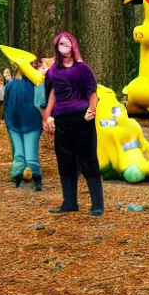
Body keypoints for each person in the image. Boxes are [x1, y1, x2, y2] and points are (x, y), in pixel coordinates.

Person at [42, 32, 104, 216]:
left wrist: (91, 111)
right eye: (62, 44)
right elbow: (52, 93)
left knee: (88, 160)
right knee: (65, 162)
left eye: (68, 44)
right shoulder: (53, 71)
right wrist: (48, 116)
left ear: (73, 46)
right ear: (57, 46)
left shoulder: (83, 69)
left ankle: (97, 205)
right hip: (62, 120)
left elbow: (92, 92)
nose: (65, 48)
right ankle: (69, 202)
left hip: (82, 119)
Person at [4, 59, 47, 189]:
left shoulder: (34, 83)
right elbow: (41, 103)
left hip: (23, 120)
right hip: (21, 120)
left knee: (25, 152)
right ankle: (25, 175)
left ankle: (27, 175)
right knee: (24, 152)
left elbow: (41, 102)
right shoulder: (15, 84)